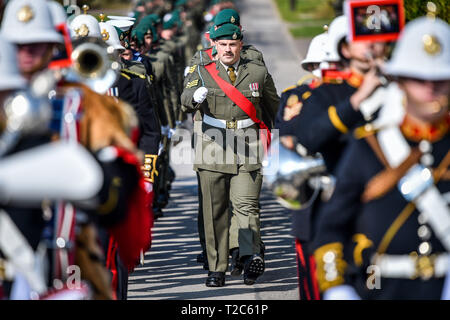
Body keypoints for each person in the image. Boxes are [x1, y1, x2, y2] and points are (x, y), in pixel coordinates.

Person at [311, 15, 450, 300]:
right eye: (418, 78)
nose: (430, 88)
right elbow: (331, 229)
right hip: (381, 289)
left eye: (440, 79)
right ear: (400, 80)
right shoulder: (370, 146)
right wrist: (337, 290)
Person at [181, 23, 279, 287]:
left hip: (247, 146)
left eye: (233, 44)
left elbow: (273, 109)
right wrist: (194, 96)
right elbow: (185, 97)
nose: (228, 49)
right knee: (215, 212)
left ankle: (248, 256)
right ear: (214, 45)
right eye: (222, 44)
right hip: (213, 146)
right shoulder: (202, 71)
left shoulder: (256, 71)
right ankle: (216, 268)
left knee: (247, 206)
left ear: (240, 45)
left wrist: (274, 145)